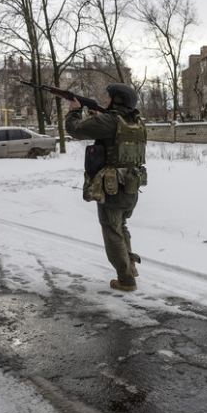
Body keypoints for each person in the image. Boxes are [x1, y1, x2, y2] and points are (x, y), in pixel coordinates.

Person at [65, 83, 147, 292]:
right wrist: (95, 117)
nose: (105, 101)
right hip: (130, 187)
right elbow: (114, 138)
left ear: (118, 100)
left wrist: (74, 111)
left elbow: (74, 129)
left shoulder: (109, 121)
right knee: (121, 226)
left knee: (112, 232)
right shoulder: (135, 122)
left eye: (109, 98)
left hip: (112, 188)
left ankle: (126, 280)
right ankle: (130, 267)